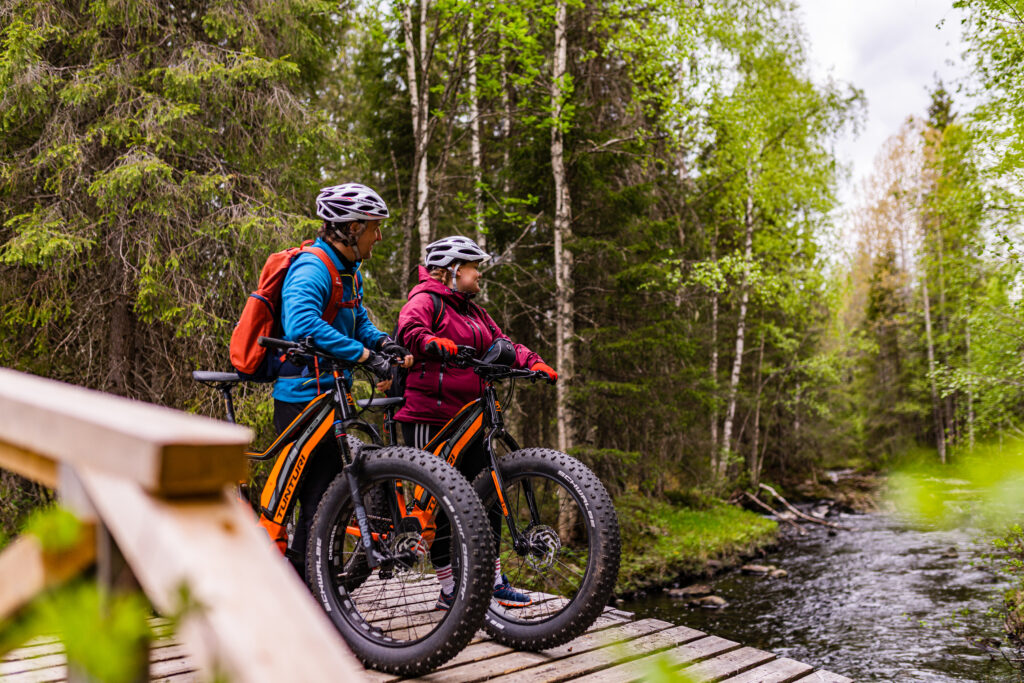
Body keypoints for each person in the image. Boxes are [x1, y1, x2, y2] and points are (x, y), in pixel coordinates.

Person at [394, 235, 558, 609]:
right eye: (474, 268)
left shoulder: (474, 312)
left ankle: (493, 580)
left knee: (489, 497)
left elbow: (503, 343)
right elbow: (409, 330)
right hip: (429, 416)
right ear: (453, 270)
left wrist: (533, 362)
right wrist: (433, 344)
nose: (478, 274)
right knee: (436, 502)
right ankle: (449, 588)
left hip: (471, 416)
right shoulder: (426, 300)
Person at [269, 183, 413, 576]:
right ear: (352, 227)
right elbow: (301, 324)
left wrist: (383, 343)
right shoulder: (314, 266)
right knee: (311, 498)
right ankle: (292, 579)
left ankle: (307, 583)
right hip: (301, 397)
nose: (378, 236)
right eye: (374, 228)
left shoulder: (349, 271)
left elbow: (357, 319)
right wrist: (366, 357)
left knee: (321, 501)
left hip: (331, 395)